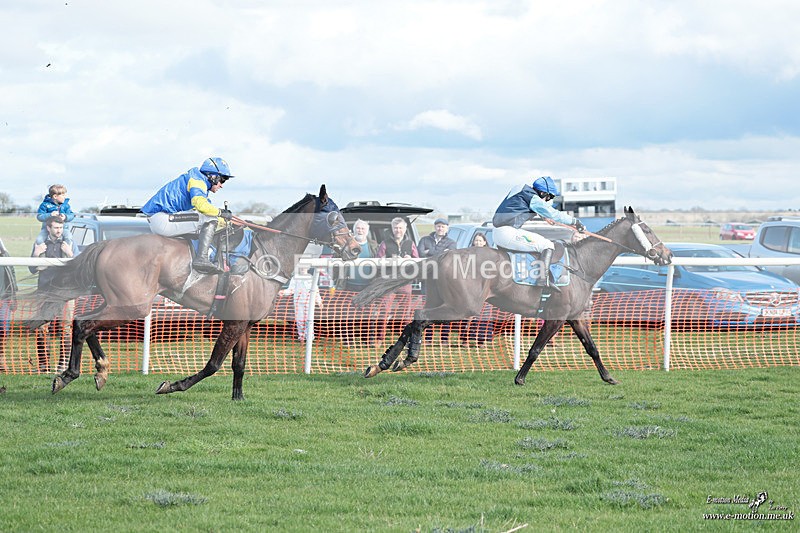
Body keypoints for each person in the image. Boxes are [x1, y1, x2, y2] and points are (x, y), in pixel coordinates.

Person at [141, 157, 235, 273]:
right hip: (162, 219)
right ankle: (202, 258)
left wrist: (228, 221)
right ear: (213, 176)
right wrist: (221, 213)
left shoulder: (199, 183)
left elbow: (205, 208)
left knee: (209, 219)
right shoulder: (197, 181)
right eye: (222, 180)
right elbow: (201, 206)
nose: (222, 185)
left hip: (162, 218)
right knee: (210, 218)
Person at [492, 176, 585, 290]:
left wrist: (543, 216)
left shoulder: (520, 188)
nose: (549, 200)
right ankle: (543, 280)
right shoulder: (534, 198)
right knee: (548, 245)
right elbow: (553, 213)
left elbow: (522, 206)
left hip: (496, 233)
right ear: (542, 193)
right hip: (507, 233)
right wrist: (575, 221)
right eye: (549, 196)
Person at [29, 216, 79, 373]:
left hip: (66, 292)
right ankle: (44, 365)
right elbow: (32, 269)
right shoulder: (40, 244)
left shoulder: (69, 244)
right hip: (45, 291)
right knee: (43, 327)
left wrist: (69, 253)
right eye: (56, 228)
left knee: (66, 327)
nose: (59, 231)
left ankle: (63, 363)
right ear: (48, 228)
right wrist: (36, 254)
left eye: (61, 227)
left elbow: (78, 267)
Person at [418, 218, 456, 343]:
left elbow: (449, 256)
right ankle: (428, 337)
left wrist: (430, 252)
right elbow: (420, 253)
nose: (440, 228)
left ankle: (444, 338)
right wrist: (439, 253)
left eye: (443, 226)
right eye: (438, 226)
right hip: (427, 279)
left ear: (447, 228)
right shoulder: (424, 240)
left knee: (446, 307)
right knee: (428, 308)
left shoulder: (451, 242)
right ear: (435, 227)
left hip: (444, 280)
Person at [279, 267, 323, 342]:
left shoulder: (311, 278)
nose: (303, 269)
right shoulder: (295, 278)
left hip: (309, 302)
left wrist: (318, 300)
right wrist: (282, 292)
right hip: (298, 302)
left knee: (309, 320)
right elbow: (291, 290)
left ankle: (310, 337)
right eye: (302, 267)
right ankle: (301, 337)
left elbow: (315, 290)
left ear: (308, 268)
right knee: (299, 320)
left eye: (304, 267)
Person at [339, 219, 378, 292]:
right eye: (358, 228)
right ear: (354, 230)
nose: (360, 231)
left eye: (363, 228)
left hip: (368, 286)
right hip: (348, 286)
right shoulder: (346, 245)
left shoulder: (374, 246)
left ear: (367, 231)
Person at [0, 238, 18, 372]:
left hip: (4, 300)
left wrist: (13, 297)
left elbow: (12, 275)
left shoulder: (5, 255)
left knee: (3, 331)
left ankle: (1, 358)